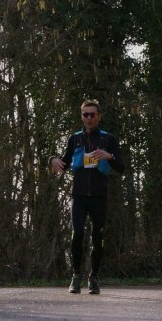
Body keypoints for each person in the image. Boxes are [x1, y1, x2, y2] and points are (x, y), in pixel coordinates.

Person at [49, 99, 125, 294]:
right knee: (77, 234)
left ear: (99, 116)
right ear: (81, 117)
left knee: (97, 238)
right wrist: (52, 159)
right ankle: (76, 276)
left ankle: (94, 278)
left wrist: (109, 157)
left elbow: (122, 167)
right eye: (85, 114)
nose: (89, 118)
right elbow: (64, 162)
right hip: (79, 196)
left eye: (92, 114)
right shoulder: (75, 139)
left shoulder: (109, 139)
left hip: (99, 196)